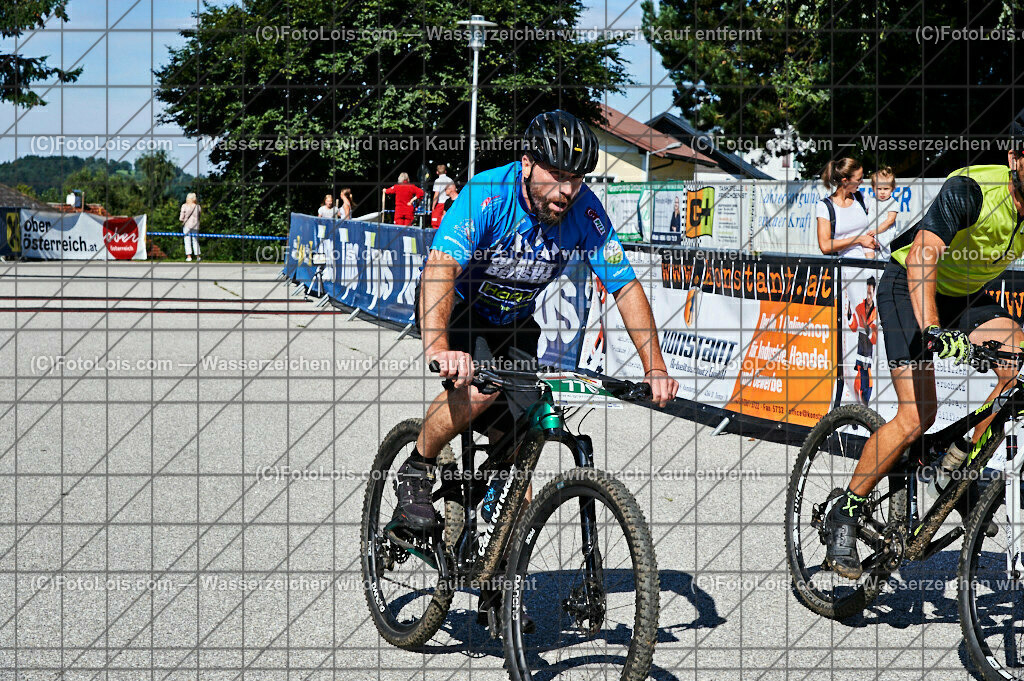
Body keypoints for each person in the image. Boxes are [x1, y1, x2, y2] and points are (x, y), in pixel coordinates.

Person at [397, 109, 679, 622]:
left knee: (525, 446)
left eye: (578, 179)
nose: (568, 191)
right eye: (559, 177)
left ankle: (498, 581)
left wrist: (655, 367)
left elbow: (625, 285)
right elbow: (440, 266)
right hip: (462, 315)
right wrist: (438, 347)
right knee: (481, 388)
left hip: (514, 327)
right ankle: (416, 466)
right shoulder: (487, 196)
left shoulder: (584, 212)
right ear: (527, 163)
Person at [824, 124, 1024, 579]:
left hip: (967, 297)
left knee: (1019, 362)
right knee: (917, 418)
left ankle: (957, 466)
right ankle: (845, 510)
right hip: (906, 285)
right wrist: (933, 329)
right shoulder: (973, 188)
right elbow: (921, 256)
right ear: (1015, 157)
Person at [816, 158, 875, 258]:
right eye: (858, 179)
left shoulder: (863, 198)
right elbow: (825, 246)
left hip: (871, 266)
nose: (862, 181)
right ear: (845, 181)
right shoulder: (825, 206)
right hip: (844, 268)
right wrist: (859, 239)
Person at [846, 276, 877, 405]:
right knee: (858, 381)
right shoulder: (859, 308)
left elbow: (875, 339)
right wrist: (849, 314)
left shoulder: (877, 312)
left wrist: (867, 328)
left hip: (869, 355)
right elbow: (853, 327)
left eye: (871, 293)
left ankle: (864, 407)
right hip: (859, 353)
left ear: (874, 292)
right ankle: (858, 408)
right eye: (867, 293)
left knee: (867, 383)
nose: (869, 296)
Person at [869, 167, 901, 259]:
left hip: (885, 235)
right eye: (879, 189)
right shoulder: (871, 201)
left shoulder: (892, 202)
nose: (882, 192)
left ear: (892, 188)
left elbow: (890, 220)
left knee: (886, 259)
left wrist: (876, 231)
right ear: (873, 188)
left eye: (886, 189)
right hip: (872, 234)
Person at [179, 192, 201, 262]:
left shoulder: (184, 206)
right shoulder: (198, 206)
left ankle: (189, 256)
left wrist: (182, 220)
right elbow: (199, 215)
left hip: (187, 225)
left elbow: (181, 217)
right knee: (195, 241)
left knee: (187, 240)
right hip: (195, 225)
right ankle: (198, 256)